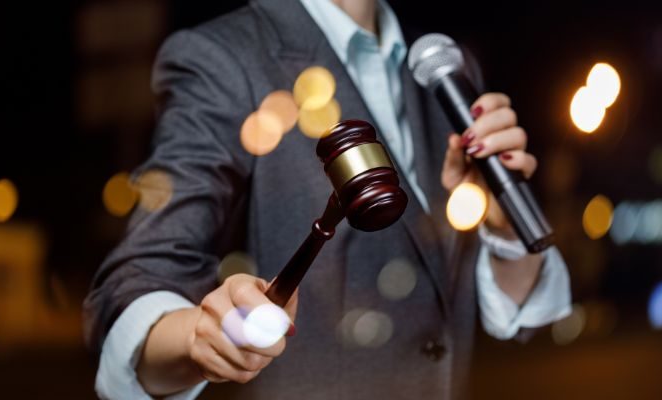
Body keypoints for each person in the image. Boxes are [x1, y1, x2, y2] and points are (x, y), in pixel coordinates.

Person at [83, 0, 572, 399]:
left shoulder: (441, 65)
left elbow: (506, 311)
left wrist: (503, 222)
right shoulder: (225, 55)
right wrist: (199, 338)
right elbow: (144, 272)